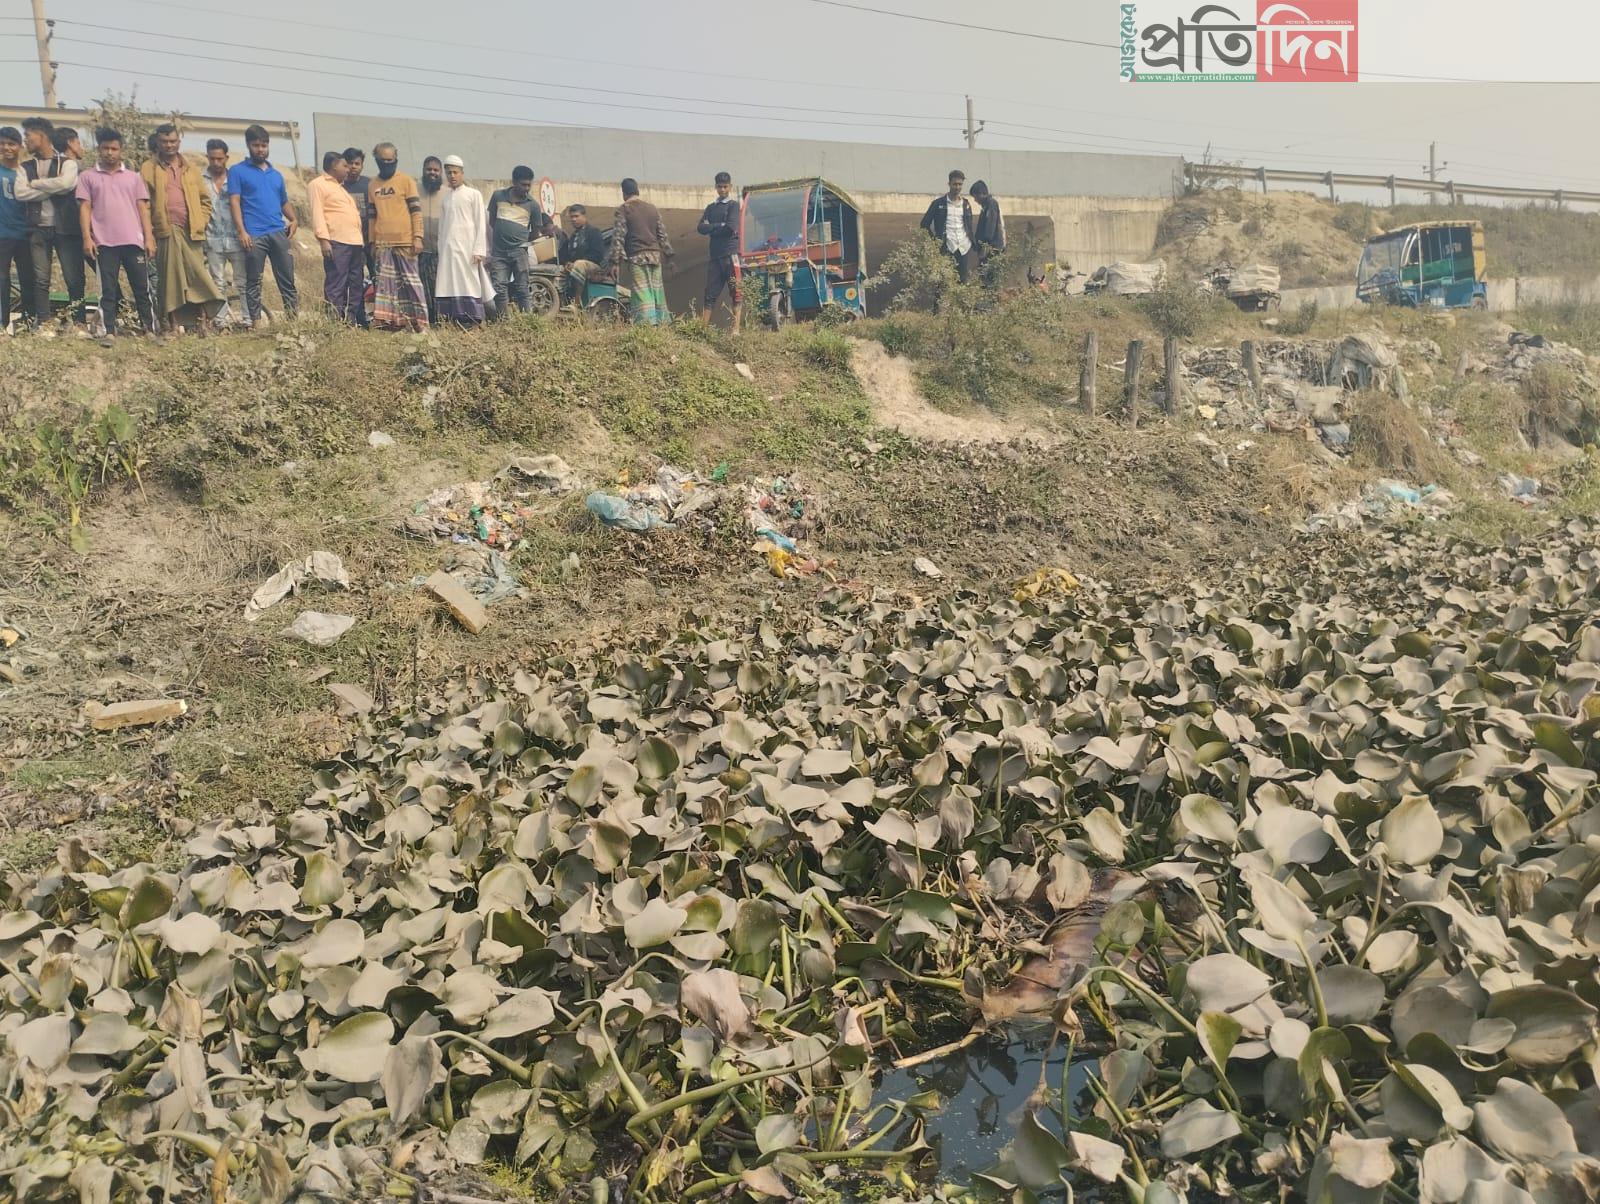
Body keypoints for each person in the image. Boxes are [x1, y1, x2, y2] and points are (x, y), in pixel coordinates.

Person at [74, 127, 156, 340]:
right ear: (99, 150)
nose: (109, 153)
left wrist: (149, 238)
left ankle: (149, 329)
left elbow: (143, 209)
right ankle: (109, 331)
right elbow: (85, 208)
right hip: (104, 242)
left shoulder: (134, 177)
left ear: (121, 151)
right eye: (105, 148)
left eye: (114, 148)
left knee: (141, 288)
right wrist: (87, 238)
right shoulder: (87, 177)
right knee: (107, 290)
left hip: (133, 241)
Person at [140, 123, 223, 332]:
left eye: (173, 141)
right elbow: (144, 204)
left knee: (197, 277)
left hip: (191, 232)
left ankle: (203, 323)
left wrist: (200, 221)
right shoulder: (148, 168)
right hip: (165, 231)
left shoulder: (190, 168)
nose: (169, 145)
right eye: (164, 142)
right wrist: (149, 233)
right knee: (171, 280)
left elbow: (205, 201)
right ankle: (173, 325)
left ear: (179, 142)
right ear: (158, 142)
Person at [228, 123, 298, 324]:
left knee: (287, 279)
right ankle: (256, 323)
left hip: (278, 232)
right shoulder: (237, 171)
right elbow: (235, 201)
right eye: (256, 145)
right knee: (254, 281)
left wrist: (294, 219)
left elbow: (283, 201)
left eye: (264, 145)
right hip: (254, 234)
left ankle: (292, 322)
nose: (260, 149)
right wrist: (242, 231)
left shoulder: (276, 174)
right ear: (248, 146)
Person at [15, 116, 79, 335]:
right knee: (41, 280)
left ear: (42, 135)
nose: (25, 140)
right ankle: (44, 322)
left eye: (28, 135)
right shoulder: (25, 166)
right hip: (37, 229)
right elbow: (20, 193)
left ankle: (77, 321)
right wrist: (54, 189)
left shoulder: (67, 163)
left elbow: (66, 183)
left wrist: (35, 184)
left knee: (73, 278)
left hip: (65, 228)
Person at [366, 142, 428, 331]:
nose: (387, 163)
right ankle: (391, 323)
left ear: (396, 159)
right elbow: (372, 217)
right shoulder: (372, 185)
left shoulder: (406, 181)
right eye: (383, 160)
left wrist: (418, 237)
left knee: (411, 283)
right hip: (383, 243)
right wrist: (372, 241)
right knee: (386, 286)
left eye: (390, 160)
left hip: (405, 241)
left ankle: (421, 323)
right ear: (376, 160)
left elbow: (416, 212)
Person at [487, 165, 553, 317]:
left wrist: (520, 243)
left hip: (520, 252)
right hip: (499, 252)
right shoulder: (498, 196)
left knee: (522, 288)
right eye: (523, 185)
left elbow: (535, 233)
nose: (527, 188)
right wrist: (504, 237)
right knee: (499, 287)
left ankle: (527, 320)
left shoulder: (533, 206)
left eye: (529, 185)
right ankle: (504, 321)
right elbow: (492, 221)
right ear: (514, 182)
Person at [308, 150, 365, 325]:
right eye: (344, 166)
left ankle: (351, 321)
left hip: (355, 242)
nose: (348, 169)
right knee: (336, 283)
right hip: (337, 242)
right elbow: (317, 213)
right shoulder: (318, 184)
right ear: (334, 166)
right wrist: (323, 240)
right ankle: (334, 322)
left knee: (356, 283)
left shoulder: (340, 188)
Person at [433, 155, 491, 326]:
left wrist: (479, 250)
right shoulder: (445, 199)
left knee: (469, 282)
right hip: (449, 251)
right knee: (449, 283)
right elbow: (442, 229)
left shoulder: (473, 194)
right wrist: (441, 251)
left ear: (462, 173)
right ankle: (454, 319)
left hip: (468, 250)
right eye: (449, 173)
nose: (452, 176)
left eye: (455, 172)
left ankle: (473, 319)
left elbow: (480, 223)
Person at [612, 177, 671, 326]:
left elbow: (618, 237)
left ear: (624, 193)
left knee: (642, 292)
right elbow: (662, 235)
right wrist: (669, 257)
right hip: (655, 256)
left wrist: (615, 262)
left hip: (636, 257)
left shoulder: (624, 209)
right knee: (657, 291)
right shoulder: (652, 209)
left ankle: (647, 325)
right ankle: (662, 324)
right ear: (637, 190)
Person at [201, 139, 246, 327]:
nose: (216, 163)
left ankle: (248, 319)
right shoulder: (200, 179)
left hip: (237, 239)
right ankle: (220, 321)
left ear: (226, 158)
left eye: (220, 159)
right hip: (212, 239)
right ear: (207, 157)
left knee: (242, 282)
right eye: (212, 159)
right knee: (217, 283)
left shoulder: (235, 178)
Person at [47, 126, 89, 329]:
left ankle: (83, 321)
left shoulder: (61, 167)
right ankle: (80, 322)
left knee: (77, 280)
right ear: (71, 143)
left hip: (75, 231)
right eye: (79, 142)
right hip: (69, 230)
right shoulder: (62, 167)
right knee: (77, 279)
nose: (82, 147)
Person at [697, 170, 741, 332]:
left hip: (730, 255)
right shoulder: (711, 208)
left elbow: (730, 227)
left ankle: (735, 329)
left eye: (725, 186)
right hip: (715, 257)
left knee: (736, 292)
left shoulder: (733, 205)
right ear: (715, 187)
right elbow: (700, 227)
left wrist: (711, 228)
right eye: (720, 186)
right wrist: (718, 225)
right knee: (710, 293)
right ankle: (703, 329)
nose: (722, 189)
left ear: (730, 186)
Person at [0, 127, 32, 334]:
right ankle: (2, 325)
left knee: (29, 279)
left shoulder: (26, 172)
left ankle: (29, 321)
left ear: (20, 146)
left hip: (26, 235)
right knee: (2, 280)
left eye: (11, 144)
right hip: (2, 235)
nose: (6, 147)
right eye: (2, 143)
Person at [919, 169, 977, 284]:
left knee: (962, 282)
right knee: (944, 282)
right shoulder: (938, 203)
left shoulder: (966, 204)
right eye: (955, 184)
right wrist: (935, 242)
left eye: (960, 184)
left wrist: (971, 242)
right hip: (946, 247)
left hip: (963, 247)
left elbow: (968, 226)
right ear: (949, 184)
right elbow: (924, 224)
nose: (957, 187)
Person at [558, 203, 607, 305]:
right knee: (558, 270)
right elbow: (565, 254)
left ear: (584, 216)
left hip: (594, 267)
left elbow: (598, 255)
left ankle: (577, 302)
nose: (573, 219)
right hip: (577, 266)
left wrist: (577, 262)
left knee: (579, 264)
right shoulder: (573, 236)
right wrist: (567, 263)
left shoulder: (594, 232)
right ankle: (561, 302)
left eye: (576, 216)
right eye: (571, 217)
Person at [417, 155, 444, 322]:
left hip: (440, 251)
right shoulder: (414, 190)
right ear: (423, 171)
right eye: (429, 169)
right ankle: (424, 318)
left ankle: (440, 318)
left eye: (435, 170)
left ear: (441, 172)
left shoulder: (448, 193)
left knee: (439, 285)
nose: (432, 173)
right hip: (419, 250)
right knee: (421, 286)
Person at [342, 145, 374, 285]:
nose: (353, 167)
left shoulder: (370, 184)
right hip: (349, 239)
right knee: (354, 277)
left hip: (369, 238)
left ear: (362, 165)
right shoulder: (339, 185)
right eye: (350, 163)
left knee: (376, 274)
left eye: (357, 163)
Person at [970, 180, 1006, 287]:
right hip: (987, 248)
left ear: (982, 193)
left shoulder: (991, 204)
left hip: (992, 248)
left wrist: (985, 246)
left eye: (975, 197)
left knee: (990, 279)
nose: (975, 200)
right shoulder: (985, 207)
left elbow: (989, 228)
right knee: (984, 278)